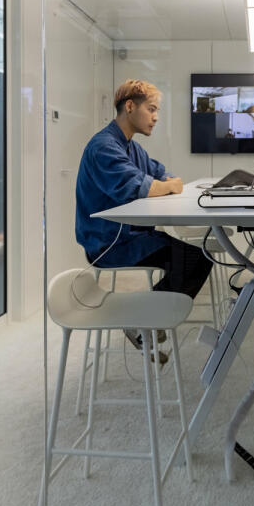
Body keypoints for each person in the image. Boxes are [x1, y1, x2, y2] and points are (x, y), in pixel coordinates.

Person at [75, 79, 213, 356]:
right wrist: (163, 186)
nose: (156, 117)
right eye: (151, 109)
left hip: (135, 236)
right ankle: (143, 323)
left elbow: (164, 176)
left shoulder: (131, 147)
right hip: (110, 245)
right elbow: (146, 187)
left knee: (197, 258)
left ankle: (147, 323)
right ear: (129, 107)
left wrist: (164, 184)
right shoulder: (104, 147)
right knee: (195, 260)